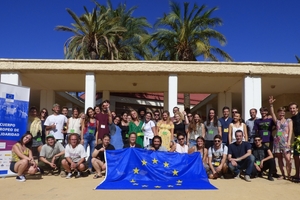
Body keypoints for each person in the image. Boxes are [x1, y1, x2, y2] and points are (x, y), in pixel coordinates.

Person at [269, 96, 292, 180]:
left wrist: (289, 141)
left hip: (285, 141)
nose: (281, 113)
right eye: (279, 112)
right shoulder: (277, 121)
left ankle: (289, 174)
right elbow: (272, 114)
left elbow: (290, 131)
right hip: (277, 142)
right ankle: (283, 174)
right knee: (279, 159)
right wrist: (271, 104)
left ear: (284, 113)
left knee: (288, 159)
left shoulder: (289, 121)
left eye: (282, 112)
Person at [289, 102, 300, 182]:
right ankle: (297, 174)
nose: (292, 110)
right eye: (291, 108)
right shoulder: (291, 119)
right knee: (296, 157)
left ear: (297, 108)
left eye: (293, 108)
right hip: (296, 139)